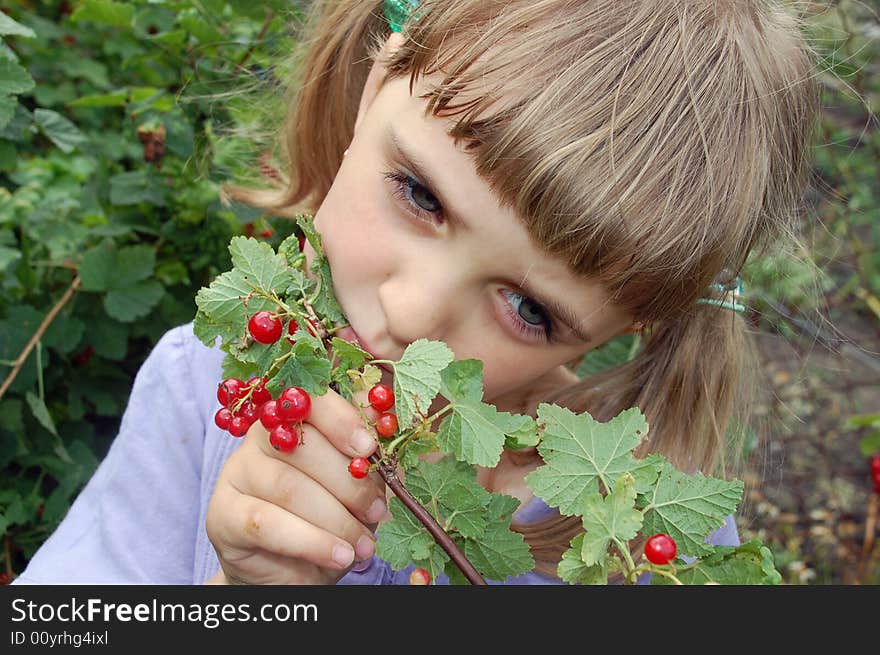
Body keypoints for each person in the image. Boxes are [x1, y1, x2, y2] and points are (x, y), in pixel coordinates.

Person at [12, 0, 819, 585]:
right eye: (421, 195)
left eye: (529, 309)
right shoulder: (204, 385)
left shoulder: (656, 541)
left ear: (635, 324)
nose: (409, 312)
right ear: (376, 79)